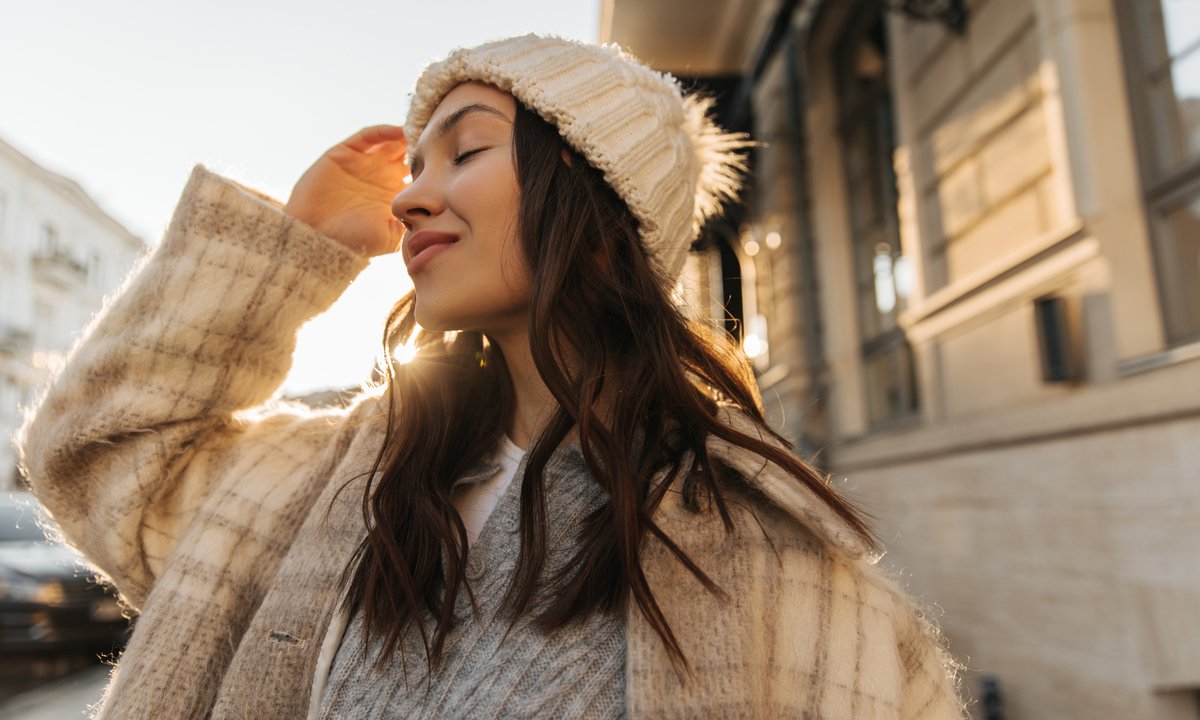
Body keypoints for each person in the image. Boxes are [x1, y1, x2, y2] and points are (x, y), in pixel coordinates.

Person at [16, 34, 965, 719]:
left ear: (595, 204)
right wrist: (291, 246)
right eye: (414, 162)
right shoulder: (335, 480)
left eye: (466, 151)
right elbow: (100, 450)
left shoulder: (788, 573)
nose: (408, 194)